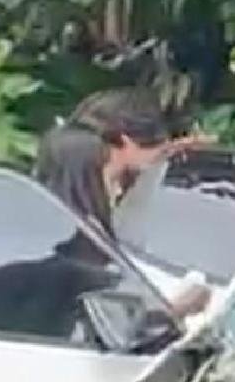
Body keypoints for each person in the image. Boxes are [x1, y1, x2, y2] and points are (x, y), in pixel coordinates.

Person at [35, 88, 211, 320]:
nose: (119, 192)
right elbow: (104, 333)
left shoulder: (30, 243)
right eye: (120, 179)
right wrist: (171, 313)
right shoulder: (66, 272)